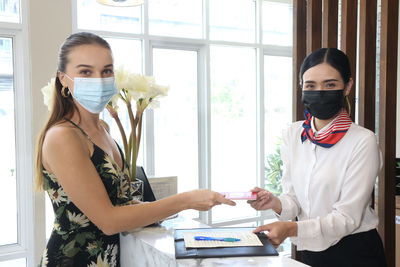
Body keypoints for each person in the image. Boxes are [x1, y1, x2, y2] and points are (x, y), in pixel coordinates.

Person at [35, 32, 236, 267]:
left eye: (107, 71)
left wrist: (166, 210)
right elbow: (108, 220)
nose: (99, 80)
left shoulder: (102, 128)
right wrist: (186, 200)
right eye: (86, 72)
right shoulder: (63, 136)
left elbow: (120, 203)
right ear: (63, 79)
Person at [248, 48, 387, 267]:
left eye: (330, 85)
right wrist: (274, 203)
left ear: (347, 87)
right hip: (310, 250)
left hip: (355, 252)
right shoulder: (294, 134)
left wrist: (292, 229)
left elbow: (347, 218)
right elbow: (294, 199)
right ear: (301, 86)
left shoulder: (362, 140)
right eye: (311, 85)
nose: (319, 92)